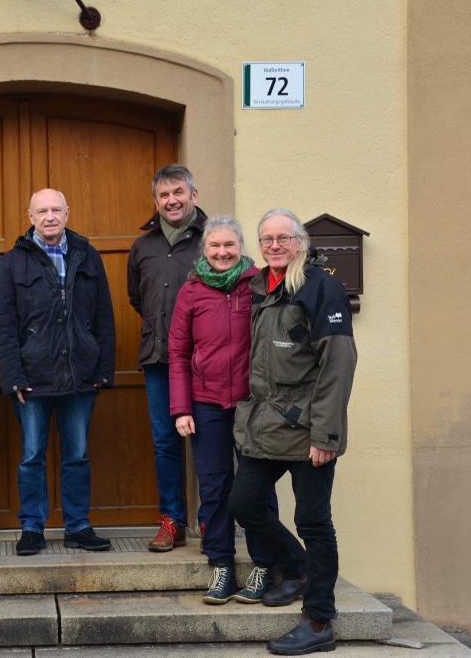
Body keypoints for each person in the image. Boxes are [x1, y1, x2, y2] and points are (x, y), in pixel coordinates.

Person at [228, 208, 357, 656]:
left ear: (301, 241)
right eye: (267, 239)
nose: (275, 245)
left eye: (284, 238)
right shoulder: (261, 286)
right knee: (244, 502)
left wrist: (326, 435)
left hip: (308, 431)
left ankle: (319, 619)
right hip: (265, 425)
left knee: (314, 522)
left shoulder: (322, 288)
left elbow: (337, 365)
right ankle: (297, 568)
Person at [0, 188, 116, 555]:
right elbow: (2, 324)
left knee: (77, 455)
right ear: (30, 216)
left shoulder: (87, 256)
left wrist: (103, 369)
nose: (49, 216)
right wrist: (12, 376)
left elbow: (104, 318)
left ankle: (78, 526)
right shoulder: (13, 262)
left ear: (67, 213)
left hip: (80, 377)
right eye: (41, 211)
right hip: (32, 379)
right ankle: (32, 528)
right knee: (32, 456)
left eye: (56, 210)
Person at [168, 215, 279, 605]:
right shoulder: (191, 292)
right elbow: (178, 354)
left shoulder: (260, 287)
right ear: (205, 250)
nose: (222, 252)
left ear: (241, 247)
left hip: (254, 405)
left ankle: (265, 565)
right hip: (206, 404)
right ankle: (222, 566)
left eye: (229, 245)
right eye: (214, 246)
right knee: (214, 489)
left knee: (257, 489)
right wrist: (182, 407)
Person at [126, 164, 207, 552]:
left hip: (205, 362)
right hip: (159, 360)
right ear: (156, 200)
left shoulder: (213, 238)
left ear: (193, 194)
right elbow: (137, 298)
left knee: (210, 441)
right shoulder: (144, 246)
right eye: (164, 195)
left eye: (178, 192)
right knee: (165, 443)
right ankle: (171, 521)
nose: (171, 201)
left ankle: (210, 522)